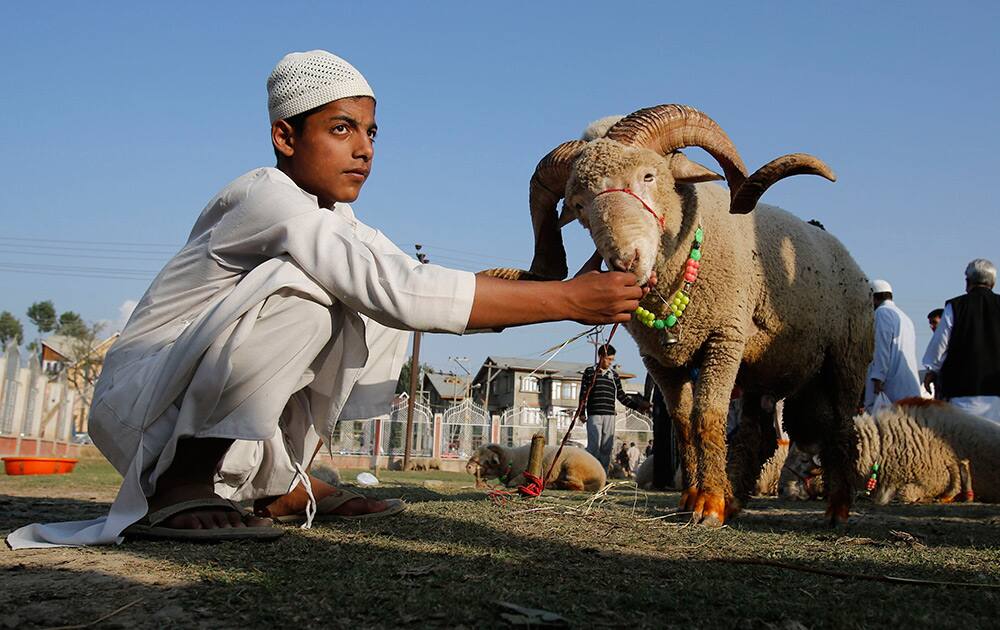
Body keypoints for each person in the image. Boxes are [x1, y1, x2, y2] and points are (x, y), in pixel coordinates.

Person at [7, 51, 648, 549]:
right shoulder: (266, 197)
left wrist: (559, 285)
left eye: (371, 131)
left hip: (191, 408)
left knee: (365, 284)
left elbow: (405, 281)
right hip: (144, 408)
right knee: (312, 290)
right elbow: (399, 289)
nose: (364, 148)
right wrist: (568, 300)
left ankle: (278, 482)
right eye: (341, 129)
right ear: (286, 137)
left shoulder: (334, 223)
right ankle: (183, 484)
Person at [922, 259, 1000, 423]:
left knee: (961, 445)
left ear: (968, 282)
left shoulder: (955, 306)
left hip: (962, 393)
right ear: (993, 283)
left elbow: (940, 344)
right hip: (996, 395)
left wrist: (932, 369)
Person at [579, 344, 651, 472]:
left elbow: (621, 396)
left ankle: (603, 474)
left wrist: (637, 406)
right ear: (601, 357)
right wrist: (581, 412)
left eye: (612, 360)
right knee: (593, 446)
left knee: (606, 447)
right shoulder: (590, 372)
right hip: (594, 414)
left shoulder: (614, 376)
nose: (611, 362)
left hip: (610, 415)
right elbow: (584, 393)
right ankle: (590, 473)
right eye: (609, 359)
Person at [863, 279, 922, 412]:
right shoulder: (905, 317)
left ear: (873, 298)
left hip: (891, 386)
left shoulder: (881, 313)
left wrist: (878, 377)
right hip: (909, 384)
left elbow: (881, 348)